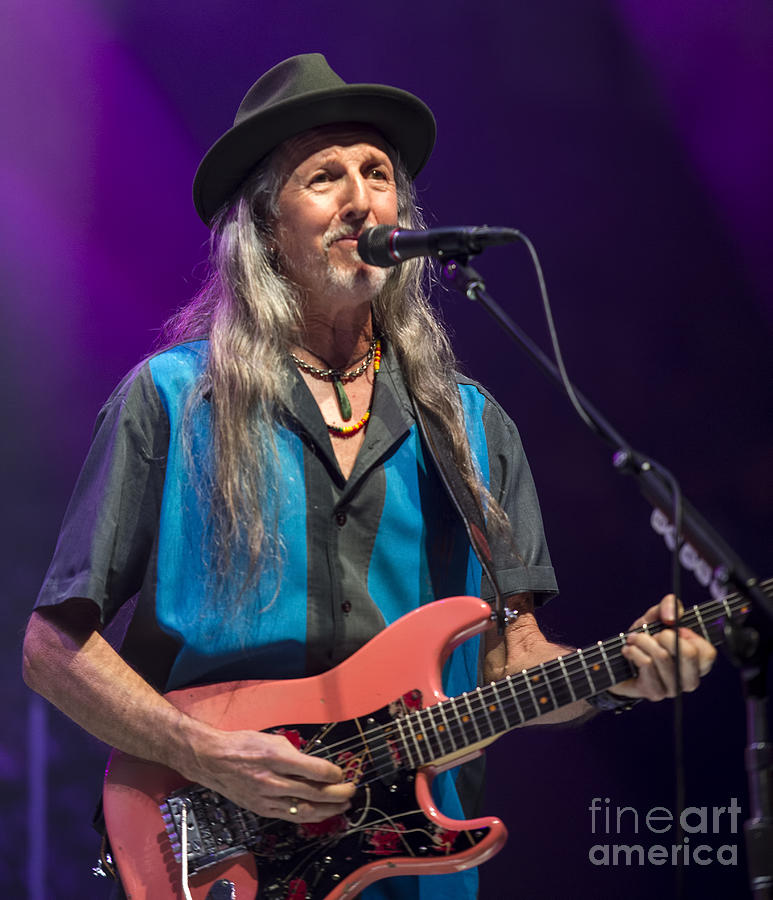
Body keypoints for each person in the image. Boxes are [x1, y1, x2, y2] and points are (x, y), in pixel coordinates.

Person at [23, 53, 716, 900]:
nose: (361, 198)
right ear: (264, 227)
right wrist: (203, 752)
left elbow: (513, 659)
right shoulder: (170, 401)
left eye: (378, 174)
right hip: (210, 842)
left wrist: (616, 673)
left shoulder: (469, 424)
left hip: (411, 865)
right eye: (324, 176)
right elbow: (53, 649)